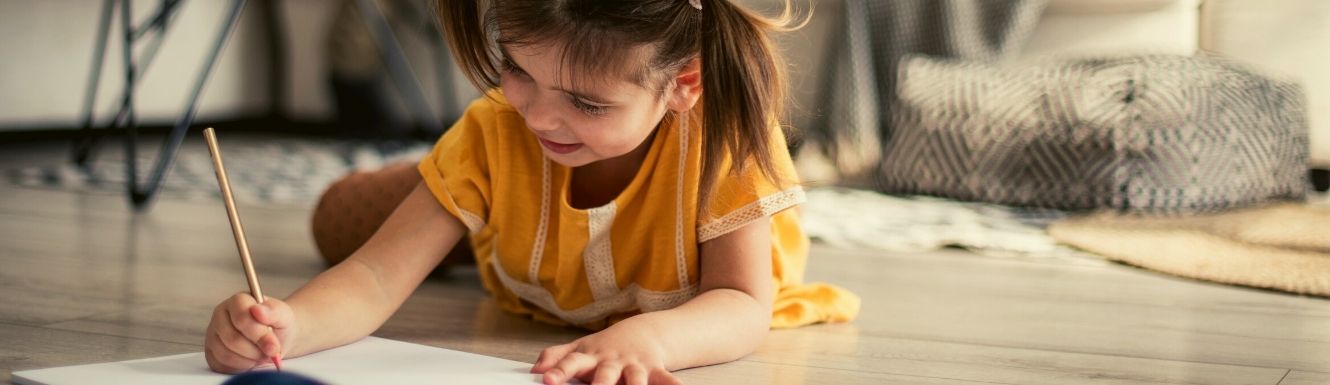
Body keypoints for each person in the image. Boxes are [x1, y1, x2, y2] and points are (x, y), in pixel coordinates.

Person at [204, 1, 860, 384]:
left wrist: (647, 340)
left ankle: (461, 215)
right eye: (518, 71)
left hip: (555, 256)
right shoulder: (501, 124)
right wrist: (289, 324)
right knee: (336, 222)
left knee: (454, 197)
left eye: (585, 101)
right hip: (518, 250)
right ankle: (455, 209)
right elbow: (374, 276)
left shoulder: (728, 138)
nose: (540, 118)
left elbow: (741, 301)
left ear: (684, 82)